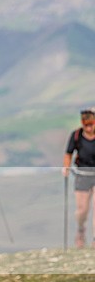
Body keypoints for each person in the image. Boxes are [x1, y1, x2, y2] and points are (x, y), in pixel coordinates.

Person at [62, 107, 95, 249]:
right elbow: (68, 153)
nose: (88, 127)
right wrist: (66, 167)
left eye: (91, 124)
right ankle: (81, 230)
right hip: (82, 176)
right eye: (85, 124)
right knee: (82, 210)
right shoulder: (76, 136)